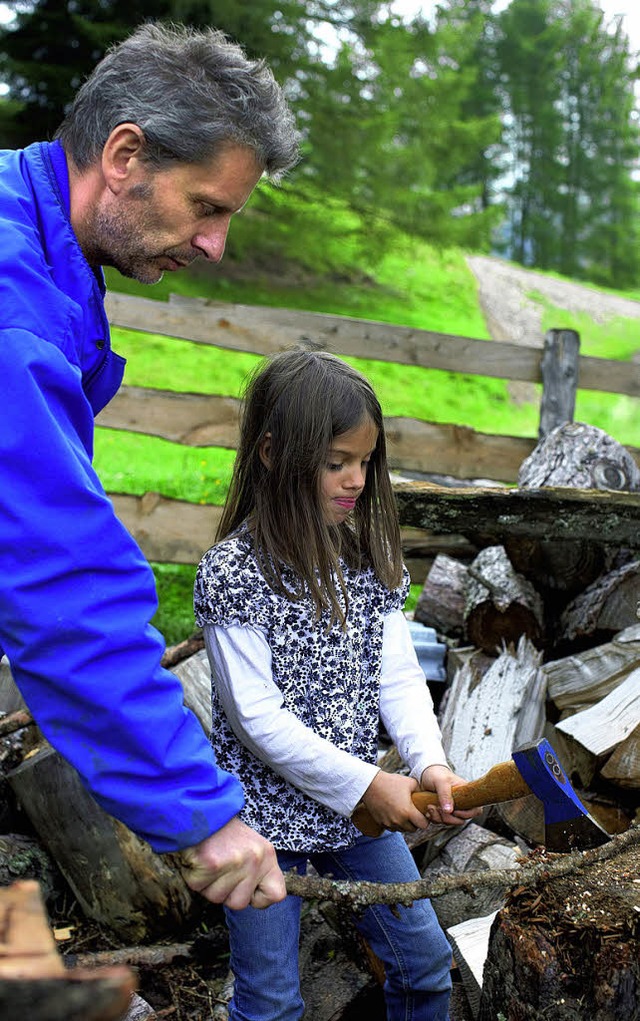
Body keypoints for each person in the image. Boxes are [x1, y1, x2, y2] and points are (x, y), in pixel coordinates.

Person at [0, 21, 300, 910]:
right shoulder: (15, 311)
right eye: (208, 207)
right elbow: (58, 578)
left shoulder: (48, 249)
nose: (215, 245)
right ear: (125, 154)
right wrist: (203, 814)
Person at [193, 349, 481, 1021]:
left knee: (425, 969)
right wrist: (367, 784)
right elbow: (257, 720)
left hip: (358, 816)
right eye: (335, 462)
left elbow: (398, 673)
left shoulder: (362, 556)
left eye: (365, 461)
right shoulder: (235, 572)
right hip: (259, 825)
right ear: (272, 453)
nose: (355, 478)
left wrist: (427, 760)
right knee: (270, 1003)